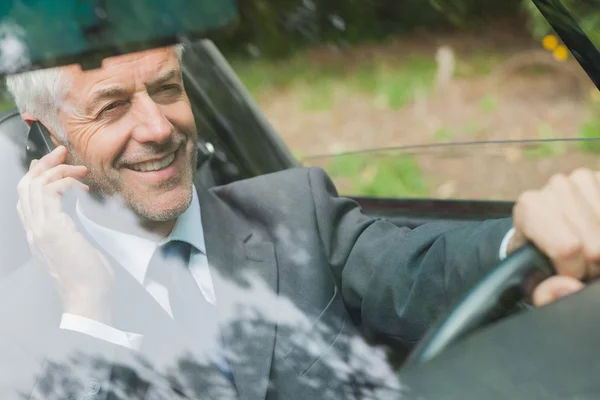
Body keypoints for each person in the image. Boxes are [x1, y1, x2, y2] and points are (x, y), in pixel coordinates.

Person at [0, 44, 593, 400]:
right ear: (46, 131)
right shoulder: (21, 325)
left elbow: (423, 269)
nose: (158, 127)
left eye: (167, 88)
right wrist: (87, 307)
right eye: (112, 106)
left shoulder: (294, 210)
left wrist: (526, 237)